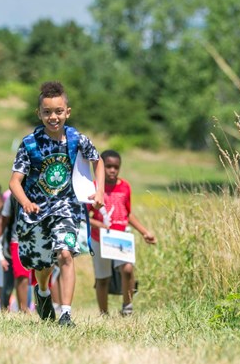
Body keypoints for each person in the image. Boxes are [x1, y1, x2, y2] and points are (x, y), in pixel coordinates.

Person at [9, 81, 105, 327]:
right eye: (47, 112)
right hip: (37, 213)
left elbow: (98, 161)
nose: (53, 117)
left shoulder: (77, 139)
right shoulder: (29, 144)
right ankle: (42, 292)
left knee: (65, 255)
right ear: (38, 113)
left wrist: (100, 191)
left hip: (67, 209)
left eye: (59, 111)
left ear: (68, 112)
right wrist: (26, 202)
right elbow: (14, 183)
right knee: (42, 265)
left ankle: (65, 315)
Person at [88, 149, 157, 316]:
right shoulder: (94, 188)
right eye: (108, 166)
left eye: (116, 167)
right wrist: (98, 224)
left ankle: (127, 307)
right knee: (103, 279)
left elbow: (128, 213)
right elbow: (83, 216)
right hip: (100, 239)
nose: (112, 170)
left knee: (127, 269)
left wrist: (144, 232)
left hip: (121, 237)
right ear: (101, 167)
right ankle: (104, 314)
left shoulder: (125, 186)